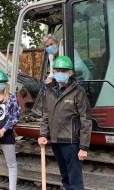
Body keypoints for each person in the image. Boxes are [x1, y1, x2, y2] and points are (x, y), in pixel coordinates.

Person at [38, 56, 92, 190]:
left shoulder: (78, 92)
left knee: (75, 181)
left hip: (71, 143)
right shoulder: (50, 91)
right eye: (57, 70)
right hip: (56, 141)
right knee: (65, 177)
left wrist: (84, 147)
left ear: (70, 73)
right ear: (53, 73)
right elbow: (46, 115)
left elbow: (86, 118)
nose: (60, 73)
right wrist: (43, 134)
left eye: (64, 70)